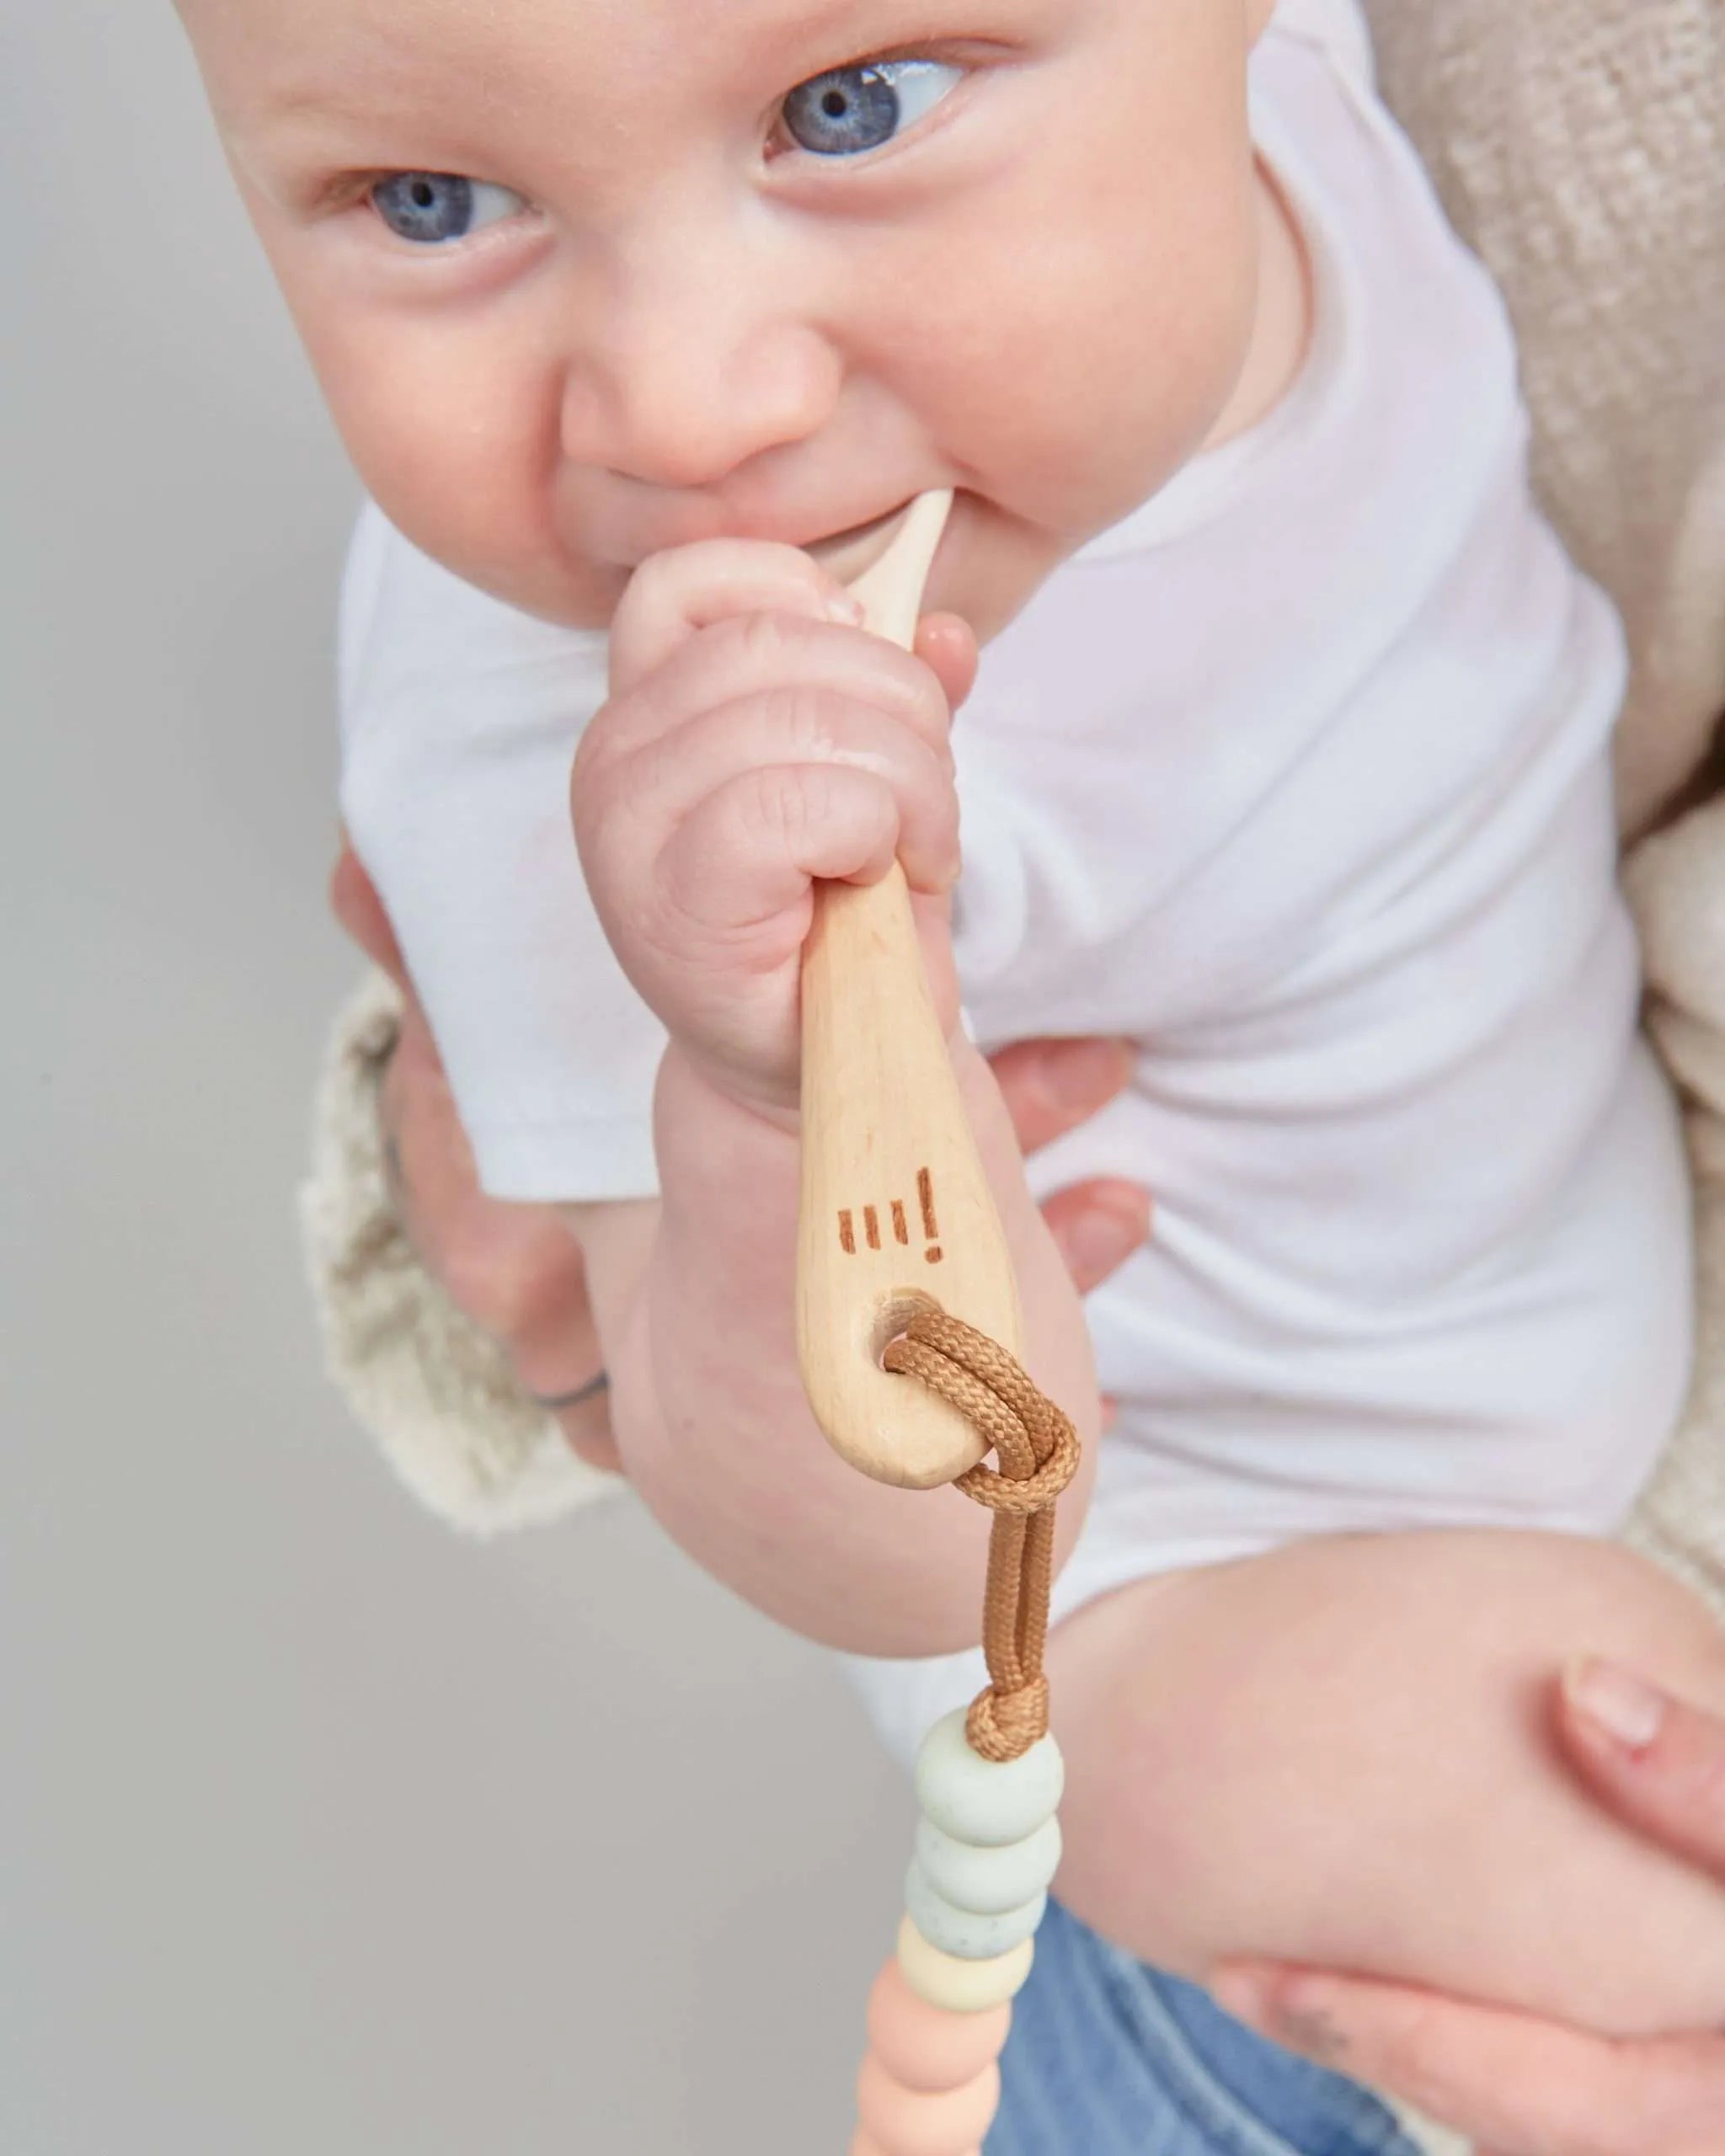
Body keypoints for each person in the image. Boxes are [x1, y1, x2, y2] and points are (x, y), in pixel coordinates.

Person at [173, 0, 1725, 2143]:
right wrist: (757, 1105)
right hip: (1213, 1571)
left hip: (1556, 1246)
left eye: (852, 109)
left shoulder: (1264, 98)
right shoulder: (582, 767)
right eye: (432, 203)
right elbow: (881, 1534)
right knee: (1575, 1864)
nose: (684, 407)